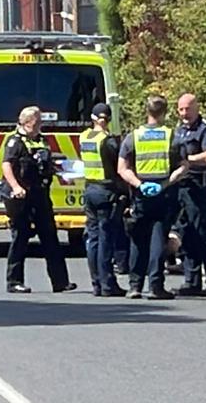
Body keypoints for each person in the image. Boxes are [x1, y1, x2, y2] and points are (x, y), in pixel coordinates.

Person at [118, 95, 188, 300]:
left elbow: (122, 168)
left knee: (138, 239)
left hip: (141, 195)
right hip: (164, 194)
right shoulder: (172, 136)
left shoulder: (133, 137)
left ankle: (134, 286)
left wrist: (140, 185)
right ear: (165, 113)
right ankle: (156, 286)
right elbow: (184, 166)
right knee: (158, 239)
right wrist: (164, 184)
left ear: (147, 112)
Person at [1, 106, 77, 294]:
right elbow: (6, 165)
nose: (40, 125)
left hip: (40, 194)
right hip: (21, 196)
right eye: (37, 122)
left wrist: (60, 171)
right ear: (26, 123)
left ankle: (60, 282)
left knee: (50, 237)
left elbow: (44, 163)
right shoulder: (15, 142)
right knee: (20, 237)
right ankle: (14, 281)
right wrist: (16, 187)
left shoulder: (41, 140)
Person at [173, 93, 206, 297]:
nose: (185, 113)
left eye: (188, 108)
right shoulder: (178, 131)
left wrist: (187, 160)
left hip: (198, 188)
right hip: (181, 188)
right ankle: (191, 281)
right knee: (186, 234)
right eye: (181, 109)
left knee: (203, 235)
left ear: (197, 107)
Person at [80, 103, 127, 297]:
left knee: (93, 239)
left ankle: (96, 283)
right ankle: (108, 284)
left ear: (92, 118)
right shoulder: (107, 141)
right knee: (106, 238)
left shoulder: (85, 137)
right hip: (106, 191)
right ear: (108, 119)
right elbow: (118, 168)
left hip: (89, 189)